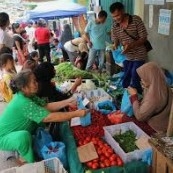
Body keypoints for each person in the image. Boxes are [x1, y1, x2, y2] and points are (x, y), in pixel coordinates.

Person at [0, 69, 87, 163]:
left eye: (36, 80)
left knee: (39, 121)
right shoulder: (23, 102)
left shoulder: (28, 95)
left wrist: (67, 102)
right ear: (24, 87)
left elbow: (46, 106)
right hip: (3, 137)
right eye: (33, 82)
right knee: (23, 137)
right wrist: (76, 114)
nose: (37, 83)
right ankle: (29, 162)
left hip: (15, 130)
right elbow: (49, 117)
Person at [110, 2, 148, 94]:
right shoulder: (115, 25)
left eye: (118, 15)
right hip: (127, 56)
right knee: (126, 77)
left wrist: (131, 45)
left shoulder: (135, 20)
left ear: (123, 11)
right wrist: (115, 45)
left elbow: (144, 37)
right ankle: (126, 96)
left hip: (139, 54)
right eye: (114, 16)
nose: (116, 18)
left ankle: (137, 97)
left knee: (135, 75)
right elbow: (115, 39)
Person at [128, 62, 173, 132]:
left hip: (156, 128)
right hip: (164, 121)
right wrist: (146, 87)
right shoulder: (163, 85)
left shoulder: (153, 97)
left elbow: (139, 116)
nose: (141, 80)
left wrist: (134, 96)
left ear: (150, 77)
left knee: (127, 119)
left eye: (143, 78)